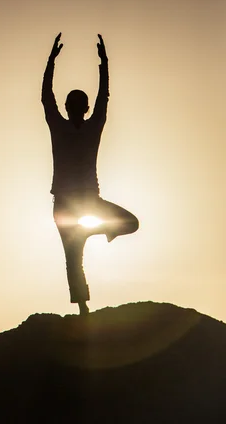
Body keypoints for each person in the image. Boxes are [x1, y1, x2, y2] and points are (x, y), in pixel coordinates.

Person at [42, 33, 139, 315]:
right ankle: (83, 309)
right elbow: (49, 97)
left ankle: (96, 231)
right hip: (67, 202)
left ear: (80, 108)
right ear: (74, 108)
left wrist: (103, 63)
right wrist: (101, 63)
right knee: (73, 258)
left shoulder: (90, 126)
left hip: (85, 200)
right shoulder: (61, 127)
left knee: (128, 223)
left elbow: (98, 98)